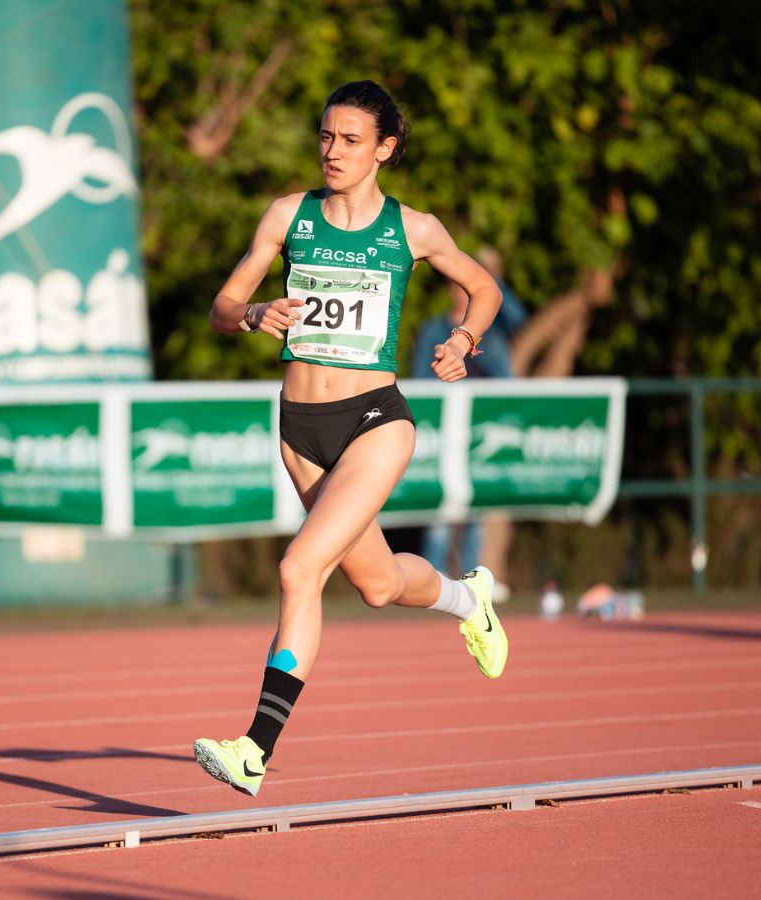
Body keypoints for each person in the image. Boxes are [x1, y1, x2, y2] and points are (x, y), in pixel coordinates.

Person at [194, 81, 509, 797]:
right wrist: (253, 315)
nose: (333, 152)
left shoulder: (414, 229)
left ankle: (253, 750)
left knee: (299, 569)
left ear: (385, 149)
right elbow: (223, 304)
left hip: (374, 420)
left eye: (351, 140)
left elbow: (483, 288)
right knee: (377, 584)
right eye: (326, 137)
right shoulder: (289, 215)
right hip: (300, 429)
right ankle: (469, 600)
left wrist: (464, 337)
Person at [410, 247, 528, 597]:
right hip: (446, 432)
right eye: (459, 286)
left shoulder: (490, 337)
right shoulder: (434, 329)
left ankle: (472, 582)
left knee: (477, 506)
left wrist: (490, 281)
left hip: (480, 434)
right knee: (441, 510)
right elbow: (420, 380)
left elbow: (517, 321)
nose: (462, 293)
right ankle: (432, 584)